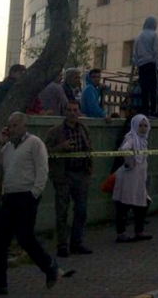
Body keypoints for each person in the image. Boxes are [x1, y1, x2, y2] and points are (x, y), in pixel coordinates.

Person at [0, 112, 59, 296]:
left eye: (15, 125)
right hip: (9, 197)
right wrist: (0, 143)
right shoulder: (7, 147)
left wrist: (34, 193)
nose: (12, 129)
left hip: (26, 196)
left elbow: (42, 169)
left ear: (24, 126)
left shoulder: (34, 143)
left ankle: (48, 265)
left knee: (25, 238)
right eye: (10, 125)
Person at [45, 101, 94, 257]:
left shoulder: (83, 129)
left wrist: (89, 165)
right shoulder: (55, 132)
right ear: (64, 112)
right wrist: (61, 147)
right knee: (62, 211)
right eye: (69, 110)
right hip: (64, 174)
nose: (72, 113)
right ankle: (62, 244)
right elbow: (45, 152)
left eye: (75, 110)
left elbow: (89, 148)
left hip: (81, 173)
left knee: (81, 210)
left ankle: (77, 242)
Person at [113, 114, 153, 242]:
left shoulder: (143, 140)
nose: (142, 128)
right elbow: (124, 150)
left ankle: (139, 231)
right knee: (124, 205)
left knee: (142, 203)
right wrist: (129, 162)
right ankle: (121, 233)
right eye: (140, 125)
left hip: (139, 179)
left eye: (145, 126)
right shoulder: (131, 138)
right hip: (129, 178)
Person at [133, 16, 158, 117]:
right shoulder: (154, 35)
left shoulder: (139, 36)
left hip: (141, 66)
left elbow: (134, 53)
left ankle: (145, 110)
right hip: (151, 64)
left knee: (144, 89)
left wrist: (137, 64)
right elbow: (156, 51)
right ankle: (154, 110)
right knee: (154, 89)